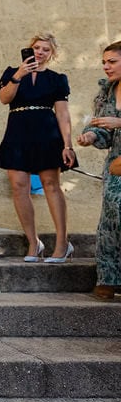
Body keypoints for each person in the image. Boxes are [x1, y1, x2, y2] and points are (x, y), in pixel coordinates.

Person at [0, 33, 75, 262]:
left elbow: (62, 113)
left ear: (52, 54)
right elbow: (4, 98)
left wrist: (67, 145)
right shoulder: (12, 73)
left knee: (51, 185)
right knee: (19, 186)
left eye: (45, 49)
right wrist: (20, 74)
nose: (40, 52)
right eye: (36, 47)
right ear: (30, 49)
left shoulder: (56, 79)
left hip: (46, 133)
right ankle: (34, 243)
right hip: (18, 132)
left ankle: (62, 244)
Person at [76, 40, 121, 300]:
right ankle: (108, 279)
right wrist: (92, 136)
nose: (106, 67)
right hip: (115, 167)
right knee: (110, 223)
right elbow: (105, 132)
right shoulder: (107, 92)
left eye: (111, 62)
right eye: (104, 62)